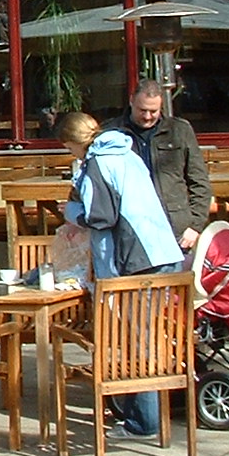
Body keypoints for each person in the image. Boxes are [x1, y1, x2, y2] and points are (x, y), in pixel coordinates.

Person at [54, 110, 185, 439]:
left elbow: (102, 217)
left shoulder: (98, 162)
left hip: (137, 260)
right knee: (150, 336)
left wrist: (71, 213)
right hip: (162, 251)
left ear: (72, 142)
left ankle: (144, 423)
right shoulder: (124, 152)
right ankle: (142, 411)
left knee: (138, 340)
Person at [104, 79, 211, 250]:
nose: (147, 117)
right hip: (128, 228)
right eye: (142, 110)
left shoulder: (180, 131)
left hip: (175, 227)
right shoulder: (111, 133)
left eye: (153, 111)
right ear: (131, 101)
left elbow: (200, 182)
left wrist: (195, 226)